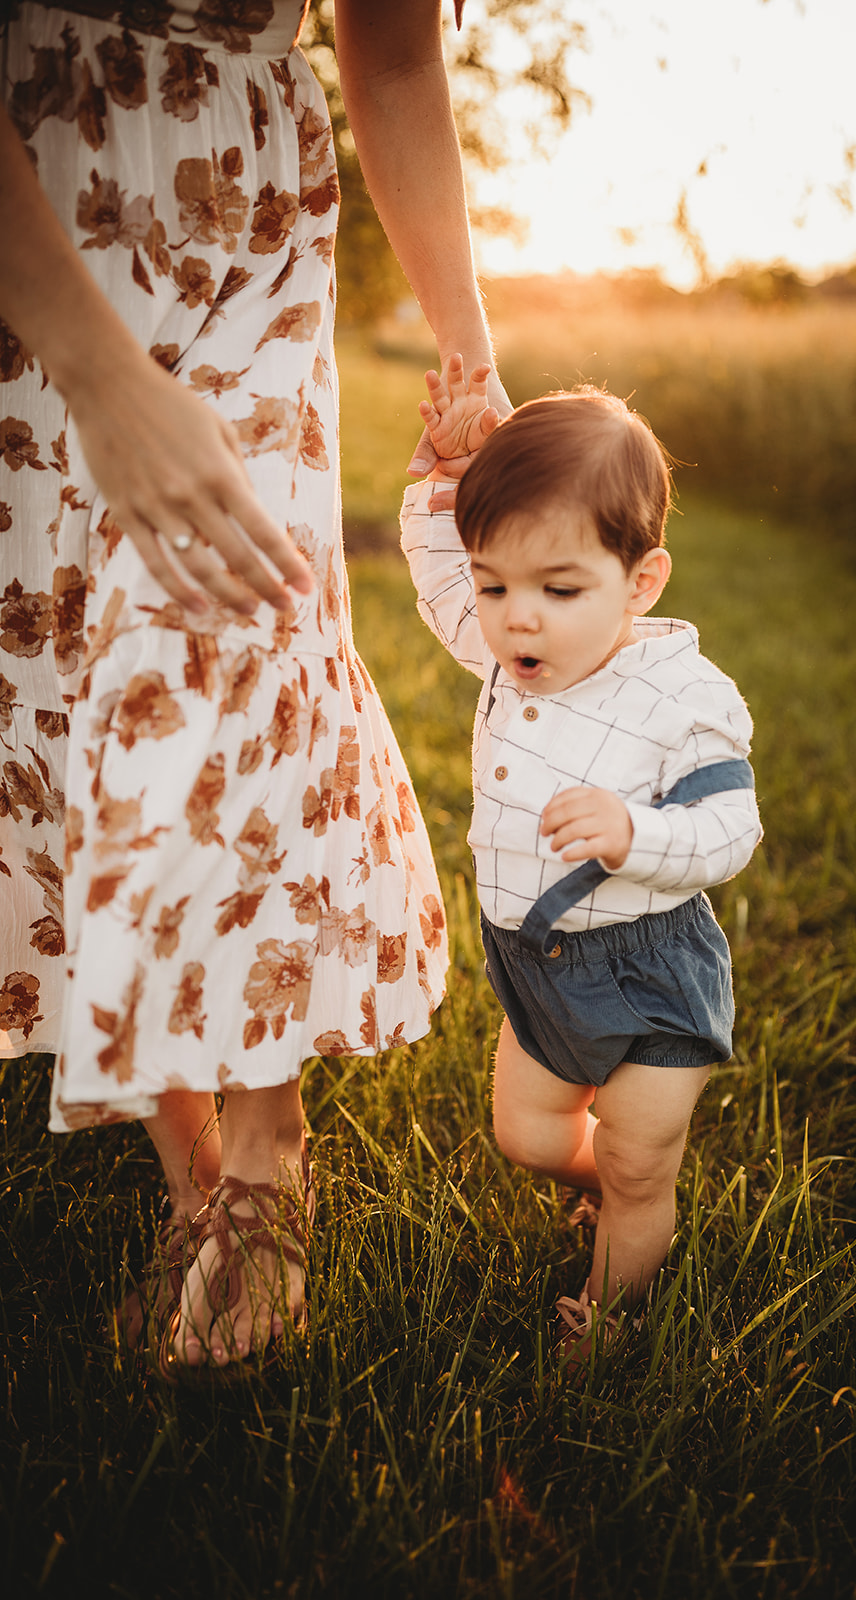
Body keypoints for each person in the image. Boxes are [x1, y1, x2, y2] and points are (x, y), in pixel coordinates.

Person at [0, 0, 506, 1371]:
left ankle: (264, 1167)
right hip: (33, 167)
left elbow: (394, 50)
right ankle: (188, 1178)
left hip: (249, 188)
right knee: (68, 666)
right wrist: (99, 381)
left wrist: (469, 360)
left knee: (230, 641)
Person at [399, 356, 763, 1353]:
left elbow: (730, 829)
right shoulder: (507, 646)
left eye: (558, 588)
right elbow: (439, 563)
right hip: (534, 962)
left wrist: (633, 832)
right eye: (495, 583)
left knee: (639, 1158)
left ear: (637, 581)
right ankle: (619, 1198)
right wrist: (440, 470)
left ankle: (611, 1310)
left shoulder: (675, 694)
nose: (517, 614)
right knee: (526, 1136)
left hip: (646, 970)